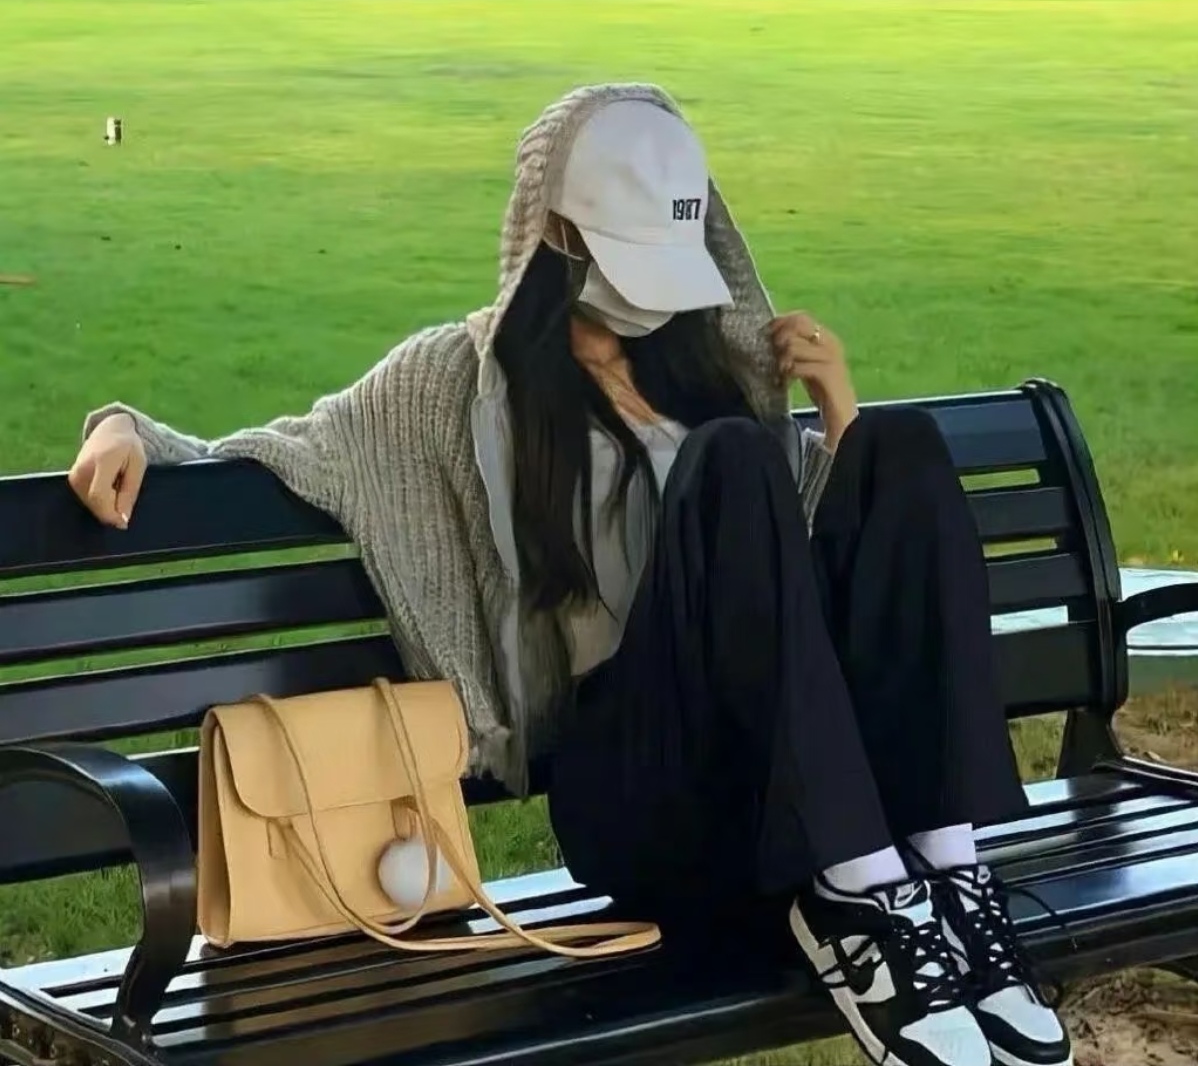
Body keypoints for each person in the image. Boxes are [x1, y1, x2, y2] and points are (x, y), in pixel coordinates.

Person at [69, 84, 1071, 1066]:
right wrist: (124, 428)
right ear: (552, 234)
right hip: (636, 794)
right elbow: (286, 450)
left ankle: (947, 873)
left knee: (900, 444)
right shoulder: (456, 383)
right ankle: (857, 897)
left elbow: (804, 588)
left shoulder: (708, 377)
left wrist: (839, 412)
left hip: (769, 781)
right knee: (733, 459)